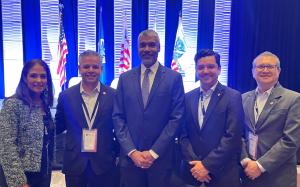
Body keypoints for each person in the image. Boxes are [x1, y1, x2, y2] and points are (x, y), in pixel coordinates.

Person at [113, 29, 185, 187]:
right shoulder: (125, 79)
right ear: (137, 48)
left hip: (160, 160)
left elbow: (176, 118)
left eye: (151, 45)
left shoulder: (174, 78)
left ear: (159, 47)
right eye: (142, 45)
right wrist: (132, 152)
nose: (147, 49)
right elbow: (118, 117)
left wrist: (153, 153)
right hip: (130, 160)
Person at [180, 49, 243, 187]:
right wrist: (196, 165)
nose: (205, 71)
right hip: (192, 174)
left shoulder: (233, 97)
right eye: (201, 67)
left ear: (219, 69)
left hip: (222, 174)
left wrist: (206, 166)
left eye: (211, 66)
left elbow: (233, 137)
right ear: (196, 70)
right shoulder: (187, 97)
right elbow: (183, 135)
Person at [55, 50, 118, 187]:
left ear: (101, 69)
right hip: (75, 162)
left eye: (95, 67)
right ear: (79, 68)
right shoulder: (66, 96)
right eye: (86, 66)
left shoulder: (114, 96)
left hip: (104, 163)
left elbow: (119, 127)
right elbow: (58, 126)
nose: (91, 70)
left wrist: (117, 154)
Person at [240, 51, 300, 187]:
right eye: (260, 67)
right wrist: (245, 161)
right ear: (253, 71)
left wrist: (260, 166)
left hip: (278, 178)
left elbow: (291, 141)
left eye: (270, 66)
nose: (265, 70)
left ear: (278, 71)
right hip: (248, 174)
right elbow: (238, 134)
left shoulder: (294, 99)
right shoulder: (243, 99)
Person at [0, 59, 55, 187]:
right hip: (21, 175)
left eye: (43, 76)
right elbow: (6, 146)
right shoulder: (12, 104)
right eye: (33, 75)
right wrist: (20, 182)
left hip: (43, 172)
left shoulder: (44, 104)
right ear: (25, 78)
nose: (39, 80)